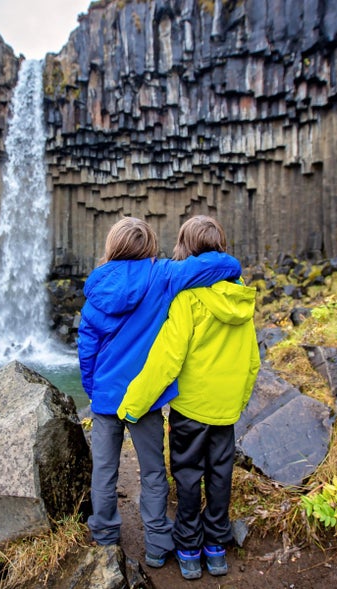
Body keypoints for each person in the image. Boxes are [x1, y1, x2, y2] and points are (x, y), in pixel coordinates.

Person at [77, 216, 242, 568]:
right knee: (152, 473)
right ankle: (156, 543)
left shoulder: (96, 287)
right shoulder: (163, 275)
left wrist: (93, 390)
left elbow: (86, 347)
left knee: (104, 470)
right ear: (150, 245)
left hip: (105, 397)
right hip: (146, 398)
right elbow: (210, 264)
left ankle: (105, 535)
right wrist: (232, 262)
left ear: (112, 246)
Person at [116, 215, 260, 580]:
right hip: (224, 410)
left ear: (185, 247)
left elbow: (166, 359)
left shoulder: (188, 298)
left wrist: (133, 404)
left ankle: (189, 550)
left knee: (187, 475)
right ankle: (216, 548)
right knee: (219, 476)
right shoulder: (242, 296)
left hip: (190, 410)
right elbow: (253, 361)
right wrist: (238, 401)